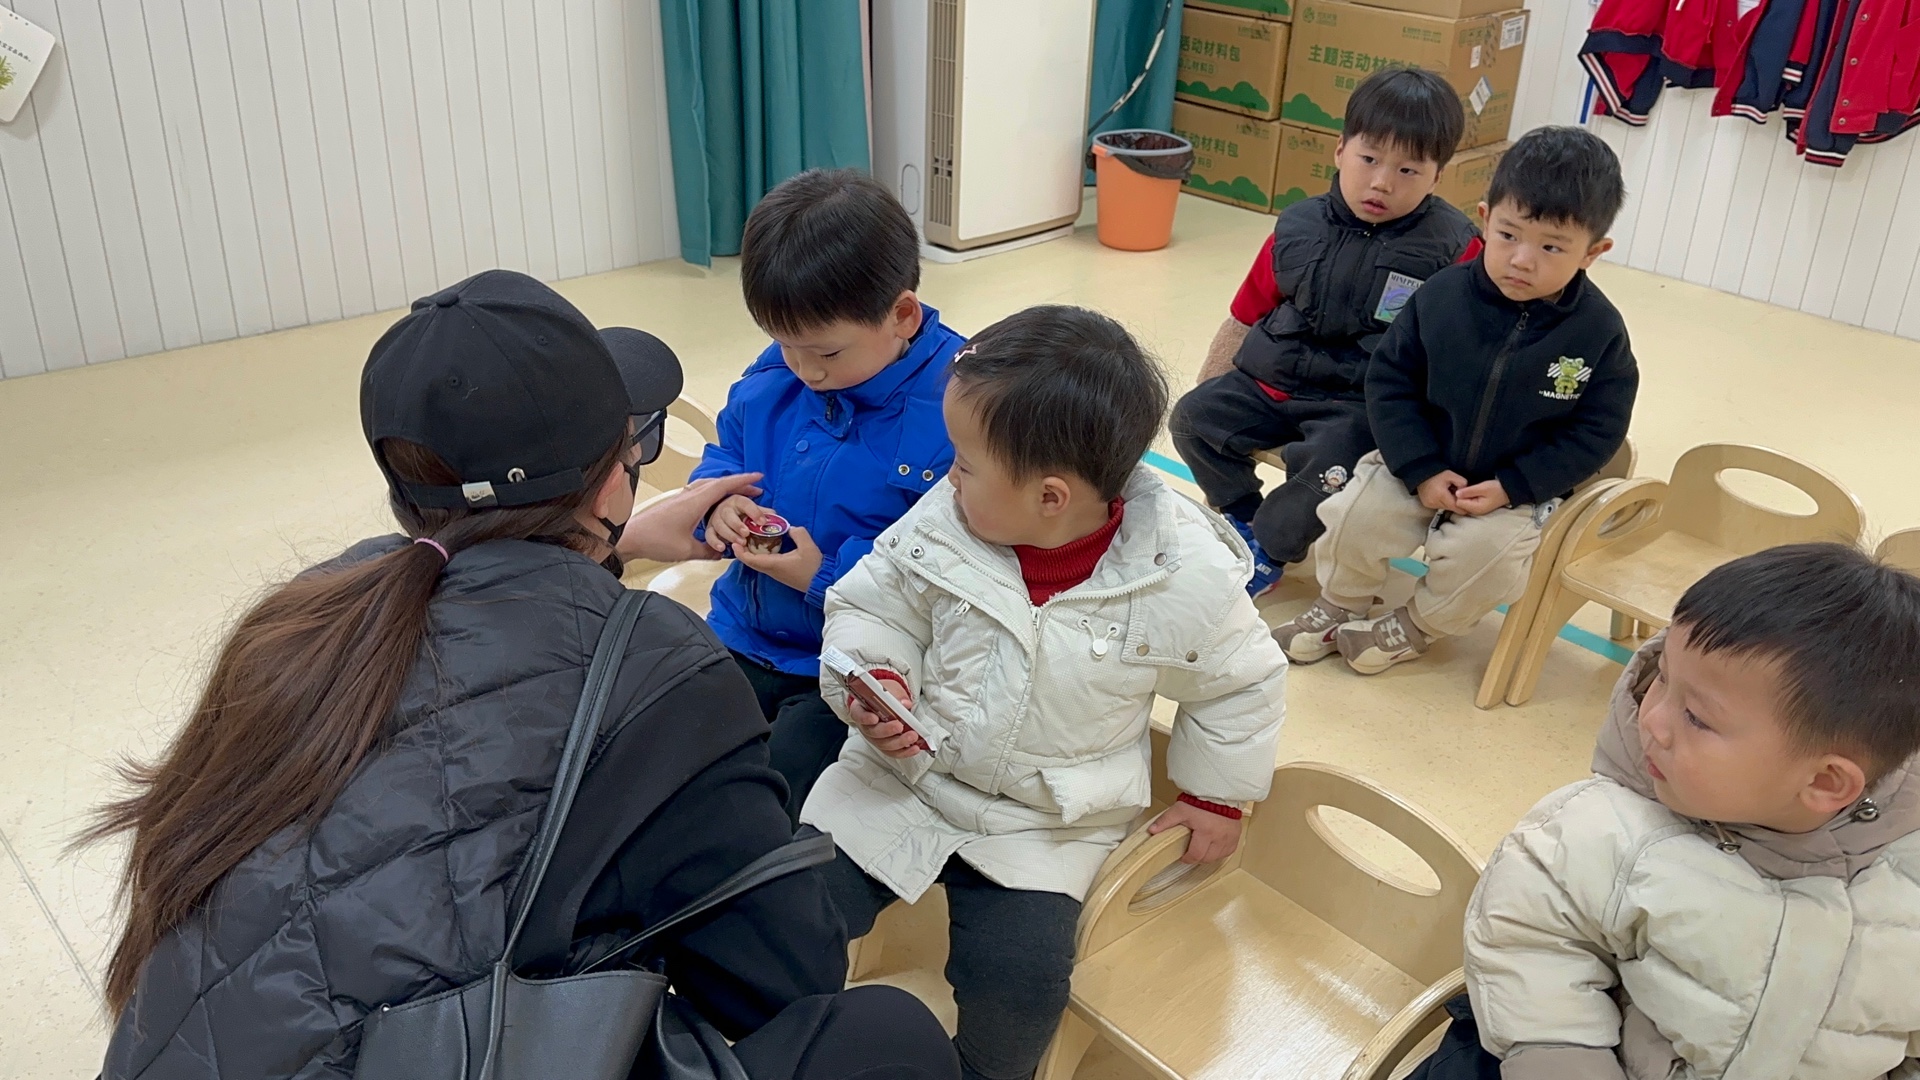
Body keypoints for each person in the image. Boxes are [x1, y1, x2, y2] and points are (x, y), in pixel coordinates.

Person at [85, 271, 959, 1080]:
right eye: (636, 442)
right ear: (613, 480)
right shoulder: (656, 672)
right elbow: (782, 977)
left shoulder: (307, 614)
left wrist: (618, 543)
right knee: (887, 1036)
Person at [803, 307, 1290, 1080]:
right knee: (790, 914)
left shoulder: (1182, 575)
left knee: (1023, 986)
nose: (948, 475)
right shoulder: (946, 519)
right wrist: (876, 676)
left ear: (1051, 497)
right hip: (904, 778)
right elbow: (873, 606)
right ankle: (771, 1037)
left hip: (1046, 823)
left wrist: (1215, 796)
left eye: (965, 464)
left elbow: (1242, 681)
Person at [1417, 544, 1920, 1080]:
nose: (1652, 719)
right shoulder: (1601, 830)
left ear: (1823, 782)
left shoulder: (1904, 875)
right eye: (1661, 676)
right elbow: (1527, 940)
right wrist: (1561, 1056)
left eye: (1696, 717)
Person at [1274, 125, 1638, 674]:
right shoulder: (1440, 296)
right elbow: (1390, 383)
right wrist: (1420, 467)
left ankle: (1415, 626)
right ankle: (1341, 602)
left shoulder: (1600, 333)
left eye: (1551, 247)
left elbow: (1597, 432)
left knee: (1488, 560)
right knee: (1355, 515)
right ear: (1485, 219)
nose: (1522, 259)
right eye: (1508, 235)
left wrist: (1515, 485)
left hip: (1512, 491)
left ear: (1594, 252)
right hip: (1418, 462)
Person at [689, 168, 968, 824]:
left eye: (826, 353)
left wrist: (824, 574)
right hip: (741, 627)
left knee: (779, 799)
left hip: (851, 666)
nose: (805, 370)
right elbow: (726, 455)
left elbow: (958, 570)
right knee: (673, 756)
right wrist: (717, 503)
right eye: (785, 344)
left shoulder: (964, 409)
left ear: (902, 315)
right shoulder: (777, 373)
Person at [1170, 67, 1483, 597]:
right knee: (1191, 419)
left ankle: (1270, 549)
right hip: (1272, 382)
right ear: (1340, 150)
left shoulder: (1457, 248)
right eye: (1369, 159)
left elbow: (1460, 353)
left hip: (1358, 406)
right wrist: (1212, 379)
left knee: (1333, 469)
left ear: (1437, 177)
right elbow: (1246, 313)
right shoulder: (1298, 224)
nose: (1382, 182)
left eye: (1408, 169)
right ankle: (1244, 515)